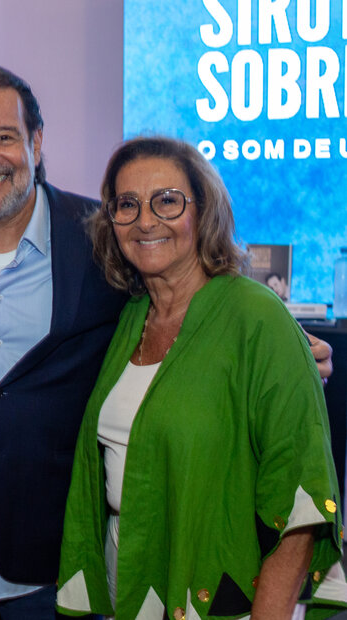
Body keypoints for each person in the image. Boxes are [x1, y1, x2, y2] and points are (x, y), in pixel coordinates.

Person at [0, 65, 336, 619]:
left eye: (4, 136)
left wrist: (285, 348)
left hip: (55, 556)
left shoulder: (99, 237)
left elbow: (199, 294)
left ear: (35, 142)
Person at [57, 136, 347, 619]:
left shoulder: (255, 318)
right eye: (127, 204)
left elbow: (300, 510)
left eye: (167, 201)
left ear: (203, 211)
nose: (146, 220)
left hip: (219, 596)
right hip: (129, 587)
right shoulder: (130, 317)